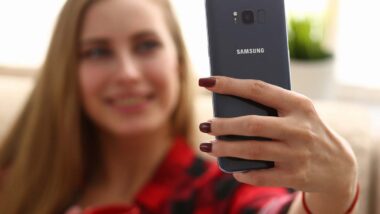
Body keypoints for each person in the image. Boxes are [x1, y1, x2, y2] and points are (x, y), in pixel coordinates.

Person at [0, 0, 359, 213]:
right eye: (98, 52)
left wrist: (334, 190)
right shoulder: (24, 178)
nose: (127, 73)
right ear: (69, 71)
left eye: (146, 46)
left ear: (179, 63)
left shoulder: (223, 189)